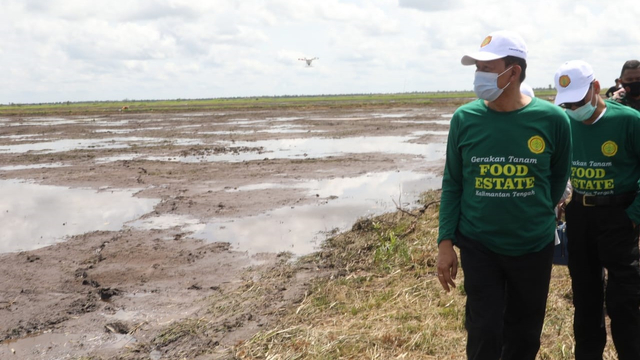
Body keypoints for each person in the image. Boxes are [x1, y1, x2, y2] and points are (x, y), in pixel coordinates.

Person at [436, 30, 572, 360]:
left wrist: (532, 213)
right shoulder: (465, 119)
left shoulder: (552, 120)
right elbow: (453, 183)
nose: (479, 75)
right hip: (479, 244)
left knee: (524, 334)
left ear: (513, 72)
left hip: (533, 245)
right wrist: (445, 243)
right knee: (483, 330)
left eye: (486, 67)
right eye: (477, 68)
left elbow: (557, 180)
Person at [553, 60, 640, 360]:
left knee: (624, 300)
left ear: (596, 88)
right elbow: (558, 166)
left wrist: (633, 217)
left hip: (619, 215)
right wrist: (561, 197)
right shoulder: (564, 122)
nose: (575, 108)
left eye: (579, 100)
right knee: (585, 298)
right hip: (581, 216)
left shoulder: (628, 121)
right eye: (567, 103)